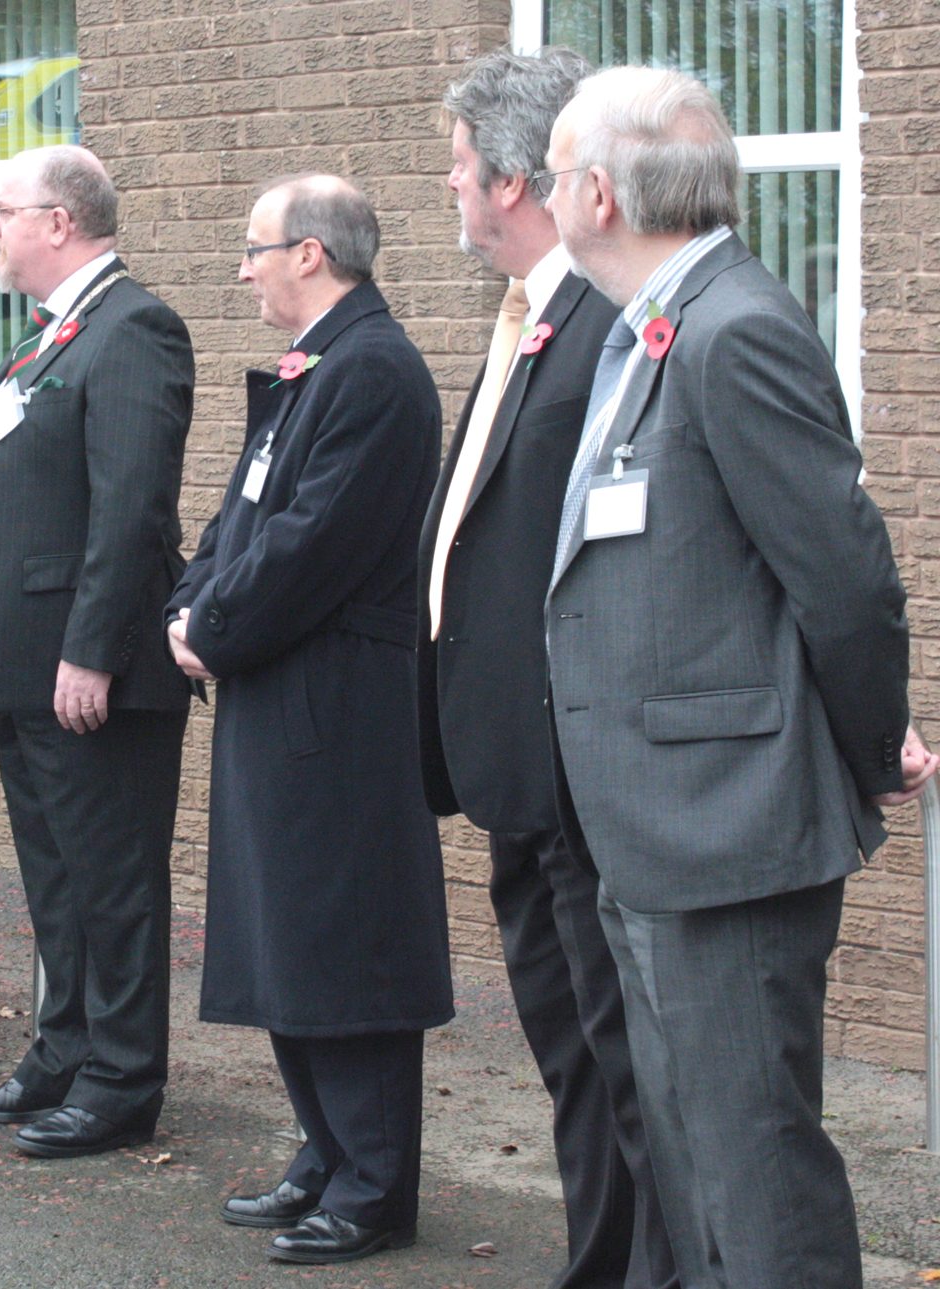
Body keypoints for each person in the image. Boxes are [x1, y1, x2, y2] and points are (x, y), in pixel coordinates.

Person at [540, 66, 936, 1288]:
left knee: (753, 1168)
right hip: (654, 823)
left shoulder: (733, 327)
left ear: (598, 193)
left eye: (551, 174)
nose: (544, 194)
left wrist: (872, 756)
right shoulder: (655, 323)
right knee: (693, 1159)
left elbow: (845, 578)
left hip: (726, 825)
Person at [422, 50, 678, 1289]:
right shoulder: (527, 316)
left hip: (578, 766)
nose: (449, 194)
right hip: (514, 760)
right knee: (571, 1053)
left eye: (460, 171)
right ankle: (600, 1261)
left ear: (520, 182)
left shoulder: (604, 328)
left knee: (619, 1055)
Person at [165, 175, 452, 1265]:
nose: (241, 268)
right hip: (276, 689)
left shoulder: (373, 373)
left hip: (333, 704)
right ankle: (326, 1149)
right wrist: (185, 603)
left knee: (343, 940)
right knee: (287, 934)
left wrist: (212, 625)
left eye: (253, 248)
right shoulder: (317, 367)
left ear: (311, 254)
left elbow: (311, 541)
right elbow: (239, 514)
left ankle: (373, 1179)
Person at [0, 146, 195, 1158]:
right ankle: (63, 1052)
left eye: (1, 213)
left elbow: (130, 509)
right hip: (25, 669)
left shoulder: (133, 329)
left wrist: (88, 650)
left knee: (112, 882)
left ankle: (122, 1079)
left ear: (61, 219)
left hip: (91, 674)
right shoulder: (47, 338)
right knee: (56, 878)